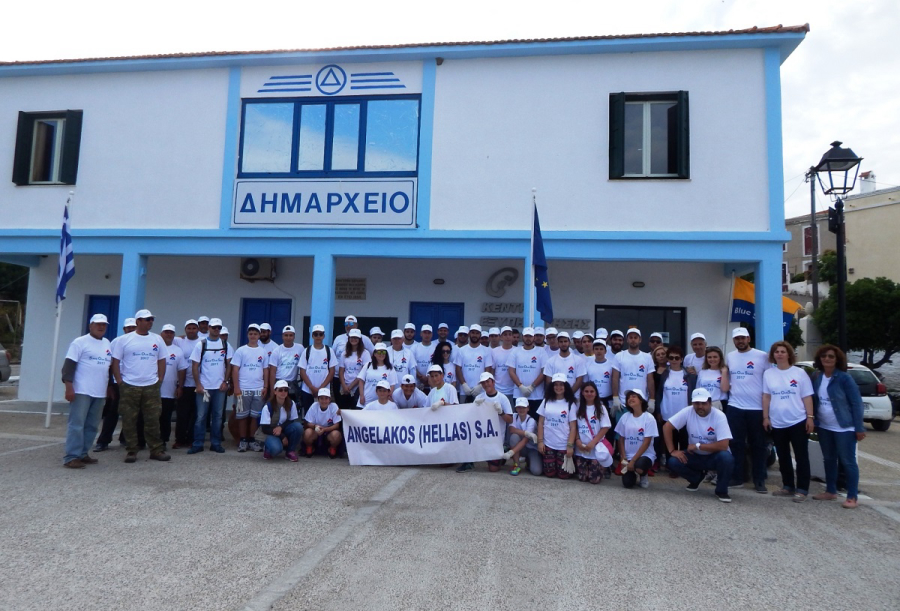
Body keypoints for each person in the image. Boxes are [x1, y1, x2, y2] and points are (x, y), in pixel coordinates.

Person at [810, 344, 866, 509]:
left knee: (848, 461)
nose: (827, 359)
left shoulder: (844, 378)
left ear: (837, 360)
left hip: (844, 427)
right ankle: (830, 491)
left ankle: (852, 496)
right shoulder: (817, 376)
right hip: (824, 426)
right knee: (828, 459)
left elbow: (856, 403)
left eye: (831, 356)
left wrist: (859, 427)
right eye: (824, 356)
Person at [111, 309, 169, 463]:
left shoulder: (157, 339)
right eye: (146, 319)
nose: (150, 322)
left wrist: (160, 379)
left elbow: (162, 360)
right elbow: (115, 362)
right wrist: (120, 381)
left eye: (151, 319)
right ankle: (131, 450)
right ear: (138, 322)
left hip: (151, 386)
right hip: (130, 386)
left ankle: (156, 450)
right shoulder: (124, 340)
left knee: (153, 419)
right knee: (129, 420)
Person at [763, 340, 814, 502]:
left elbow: (807, 396)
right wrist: (766, 417)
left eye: (783, 351)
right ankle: (787, 486)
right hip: (777, 422)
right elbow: (766, 396)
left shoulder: (799, 373)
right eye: (776, 352)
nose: (779, 354)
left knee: (801, 456)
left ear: (789, 354)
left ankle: (802, 489)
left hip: (797, 420)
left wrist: (810, 417)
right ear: (773, 355)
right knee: (783, 456)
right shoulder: (768, 374)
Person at [664, 388, 735, 503]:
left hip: (714, 456)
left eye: (703, 403)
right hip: (695, 456)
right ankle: (696, 478)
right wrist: (672, 450)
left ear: (710, 403)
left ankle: (721, 490)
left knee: (727, 458)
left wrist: (698, 446)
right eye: (697, 403)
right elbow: (667, 426)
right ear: (692, 403)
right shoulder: (688, 411)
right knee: (672, 461)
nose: (700, 406)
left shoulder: (719, 416)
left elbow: (723, 445)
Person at [61, 313, 112, 468]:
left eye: (104, 324)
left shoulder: (107, 343)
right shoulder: (80, 342)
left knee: (92, 425)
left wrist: (109, 387)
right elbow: (68, 366)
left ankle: (83, 453)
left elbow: (107, 368)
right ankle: (71, 456)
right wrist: (69, 387)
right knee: (77, 424)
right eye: (98, 324)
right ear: (91, 326)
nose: (101, 327)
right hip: (82, 390)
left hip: (99, 392)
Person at [725, 327, 771, 493]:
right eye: (737, 339)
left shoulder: (762, 356)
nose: (740, 341)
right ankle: (737, 477)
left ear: (749, 338)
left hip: (756, 408)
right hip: (735, 406)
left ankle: (759, 479)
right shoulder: (730, 356)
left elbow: (769, 379)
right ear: (733, 341)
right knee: (735, 444)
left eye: (743, 338)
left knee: (758, 445)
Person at [188, 318, 233, 455]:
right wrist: (198, 385)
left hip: (219, 388)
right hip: (204, 388)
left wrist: (226, 382)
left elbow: (229, 365)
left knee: (218, 416)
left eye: (219, 328)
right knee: (201, 416)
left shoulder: (225, 345)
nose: (216, 330)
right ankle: (198, 443)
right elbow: (195, 366)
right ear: (209, 328)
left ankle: (216, 443)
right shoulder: (201, 345)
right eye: (214, 327)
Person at [94, 318, 139, 452]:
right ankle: (103, 441)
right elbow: (109, 364)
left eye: (133, 327)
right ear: (124, 329)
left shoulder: (139, 342)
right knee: (112, 413)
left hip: (133, 383)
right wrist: (109, 385)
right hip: (117, 383)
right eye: (128, 328)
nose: (130, 330)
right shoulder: (116, 342)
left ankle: (124, 439)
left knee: (131, 413)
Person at [454, 372, 513, 474]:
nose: (486, 384)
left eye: (488, 381)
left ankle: (502, 453)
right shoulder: (479, 398)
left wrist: (501, 412)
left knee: (493, 469)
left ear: (493, 382)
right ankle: (468, 462)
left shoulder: (502, 398)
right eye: (483, 383)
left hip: (496, 439)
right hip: (482, 436)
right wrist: (476, 408)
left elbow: (510, 420)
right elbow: (471, 418)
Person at [231, 323, 270, 452]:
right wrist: (236, 387)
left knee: (254, 416)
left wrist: (265, 386)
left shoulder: (263, 351)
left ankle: (253, 440)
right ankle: (243, 440)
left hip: (258, 389)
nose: (253, 336)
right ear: (247, 335)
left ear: (259, 335)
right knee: (242, 416)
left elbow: (265, 370)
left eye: (255, 334)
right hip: (243, 388)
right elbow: (235, 370)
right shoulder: (241, 350)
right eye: (251, 333)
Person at [655, 345, 696, 466]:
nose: (674, 360)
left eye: (676, 358)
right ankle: (671, 465)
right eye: (671, 358)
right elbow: (659, 393)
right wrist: (658, 411)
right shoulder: (664, 374)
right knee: (669, 441)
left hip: (684, 414)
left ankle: (684, 465)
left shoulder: (689, 375)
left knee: (684, 441)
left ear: (681, 359)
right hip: (667, 413)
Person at [536, 373, 577, 479]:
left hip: (563, 444)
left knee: (563, 475)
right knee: (549, 474)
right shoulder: (546, 401)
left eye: (561, 385)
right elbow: (540, 423)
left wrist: (570, 446)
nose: (558, 387)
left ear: (565, 386)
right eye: (556, 385)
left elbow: (573, 427)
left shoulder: (570, 404)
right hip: (549, 443)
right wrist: (540, 442)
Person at [614, 389, 658, 489]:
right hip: (628, 456)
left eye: (634, 396)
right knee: (627, 484)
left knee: (640, 466)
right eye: (629, 397)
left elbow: (647, 442)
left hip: (645, 455)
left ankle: (643, 475)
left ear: (641, 400)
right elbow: (621, 439)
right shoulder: (625, 416)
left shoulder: (649, 418)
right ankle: (632, 473)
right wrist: (623, 458)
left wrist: (633, 461)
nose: (630, 399)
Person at [573, 381, 613, 484]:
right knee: (582, 478)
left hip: (595, 448)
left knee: (594, 480)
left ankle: (602, 468)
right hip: (581, 448)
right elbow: (575, 426)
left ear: (596, 393)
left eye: (592, 391)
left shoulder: (601, 407)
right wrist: (577, 440)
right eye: (586, 391)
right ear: (582, 393)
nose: (589, 394)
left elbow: (605, 427)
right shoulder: (577, 407)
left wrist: (592, 443)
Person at [611, 328, 656, 416]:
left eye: (635, 337)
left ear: (640, 340)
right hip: (623, 403)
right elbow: (615, 378)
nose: (633, 340)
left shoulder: (647, 357)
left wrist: (652, 399)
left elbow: (650, 380)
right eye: (631, 337)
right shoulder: (619, 356)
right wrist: (615, 398)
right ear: (627, 340)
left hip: (642, 402)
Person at [172, 319, 201, 449]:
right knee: (182, 413)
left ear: (198, 329)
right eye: (188, 328)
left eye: (194, 328)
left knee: (195, 415)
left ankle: (191, 439)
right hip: (184, 383)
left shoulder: (202, 342)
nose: (191, 330)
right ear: (185, 330)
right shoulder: (179, 341)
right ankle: (179, 439)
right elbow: (163, 337)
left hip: (199, 384)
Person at [297, 324, 338, 414]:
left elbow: (331, 371)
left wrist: (321, 388)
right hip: (308, 390)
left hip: (324, 391)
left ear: (324, 336)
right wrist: (312, 387)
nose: (318, 336)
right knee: (308, 415)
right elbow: (302, 371)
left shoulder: (329, 351)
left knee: (324, 414)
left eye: (320, 334)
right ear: (312, 336)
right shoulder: (307, 351)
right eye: (316, 334)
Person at [159, 324, 188, 449]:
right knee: (148, 417)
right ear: (161, 333)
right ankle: (143, 440)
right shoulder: (155, 347)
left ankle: (163, 441)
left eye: (171, 332)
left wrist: (180, 386)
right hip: (152, 391)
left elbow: (182, 370)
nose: (169, 334)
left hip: (169, 391)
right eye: (166, 332)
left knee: (165, 417)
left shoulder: (177, 350)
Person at [509, 327, 547, 421]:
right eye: (526, 336)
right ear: (522, 337)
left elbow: (544, 372)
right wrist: (520, 386)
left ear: (533, 337)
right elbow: (511, 371)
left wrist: (532, 387)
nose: (528, 338)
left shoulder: (541, 352)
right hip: (519, 394)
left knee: (536, 422)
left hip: (537, 395)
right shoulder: (515, 351)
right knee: (519, 422)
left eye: (530, 336)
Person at [259, 379, 302, 461]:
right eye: (280, 390)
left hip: (282, 429)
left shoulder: (291, 403)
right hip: (270, 432)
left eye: (286, 390)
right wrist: (282, 436)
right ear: (275, 392)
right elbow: (264, 428)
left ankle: (290, 451)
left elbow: (291, 420)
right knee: (276, 449)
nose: (283, 392)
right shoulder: (268, 406)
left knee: (298, 427)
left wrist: (281, 428)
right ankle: (267, 448)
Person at [454, 324, 494, 403]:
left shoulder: (486, 351)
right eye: (473, 333)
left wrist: (480, 385)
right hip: (464, 391)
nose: (474, 335)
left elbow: (488, 370)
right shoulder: (462, 350)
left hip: (481, 390)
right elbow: (458, 369)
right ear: (469, 334)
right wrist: (464, 385)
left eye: (477, 333)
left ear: (480, 335)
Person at [302, 387, 343, 457]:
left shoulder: (334, 406)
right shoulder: (314, 406)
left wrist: (325, 429)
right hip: (315, 430)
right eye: (321, 398)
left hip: (329, 431)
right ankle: (310, 447)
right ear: (318, 399)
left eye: (326, 398)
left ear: (330, 399)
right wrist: (315, 426)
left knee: (337, 435)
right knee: (307, 433)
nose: (324, 401)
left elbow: (337, 425)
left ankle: (332, 448)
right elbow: (307, 423)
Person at [543, 331, 586, 396]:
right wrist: (559, 395)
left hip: (574, 397)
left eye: (565, 341)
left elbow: (579, 381)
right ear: (558, 343)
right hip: (556, 398)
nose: (563, 344)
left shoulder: (578, 360)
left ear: (569, 342)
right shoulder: (550, 361)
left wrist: (569, 394)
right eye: (561, 342)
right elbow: (549, 381)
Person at [268, 325, 303, 402]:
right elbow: (272, 372)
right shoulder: (277, 351)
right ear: (282, 336)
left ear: (294, 336)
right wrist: (272, 390)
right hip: (279, 381)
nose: (288, 337)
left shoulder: (300, 348)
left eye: (291, 335)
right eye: (286, 335)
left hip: (293, 383)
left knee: (293, 406)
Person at [337, 328, 370, 410]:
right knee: (344, 411)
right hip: (344, 388)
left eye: (356, 338)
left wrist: (351, 386)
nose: (354, 339)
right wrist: (344, 385)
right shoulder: (344, 353)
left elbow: (364, 372)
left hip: (357, 388)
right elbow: (341, 371)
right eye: (352, 337)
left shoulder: (365, 353)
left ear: (359, 339)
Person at [357, 342, 397, 408]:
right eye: (379, 352)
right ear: (374, 354)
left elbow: (392, 385)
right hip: (366, 401)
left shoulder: (390, 368)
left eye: (383, 352)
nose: (381, 354)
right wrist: (361, 396)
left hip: (382, 404)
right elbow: (361, 381)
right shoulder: (368, 365)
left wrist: (388, 397)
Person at [508, 398, 541, 476]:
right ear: (516, 408)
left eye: (524, 407)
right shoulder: (514, 416)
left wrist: (511, 452)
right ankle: (516, 465)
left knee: (537, 471)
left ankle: (529, 462)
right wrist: (526, 433)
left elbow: (525, 440)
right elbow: (511, 429)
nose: (521, 409)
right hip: (521, 448)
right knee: (514, 437)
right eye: (519, 407)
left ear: (528, 408)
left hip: (532, 449)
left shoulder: (531, 421)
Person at [697, 346, 730, 411]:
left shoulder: (725, 371)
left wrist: (724, 372)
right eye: (709, 357)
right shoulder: (702, 372)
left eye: (715, 357)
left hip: (719, 404)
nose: (712, 359)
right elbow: (698, 390)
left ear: (720, 358)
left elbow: (725, 389)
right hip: (704, 403)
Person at [491, 326, 516, 403]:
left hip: (513, 391)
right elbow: (492, 371)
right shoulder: (494, 352)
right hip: (498, 390)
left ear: (512, 336)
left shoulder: (517, 351)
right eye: (505, 335)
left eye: (509, 334)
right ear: (501, 337)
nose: (507, 337)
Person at [412, 324, 437, 389]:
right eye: (425, 332)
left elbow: (437, 364)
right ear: (421, 334)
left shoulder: (436, 347)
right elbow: (412, 364)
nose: (427, 335)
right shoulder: (415, 347)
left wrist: (428, 377)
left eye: (429, 333)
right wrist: (420, 376)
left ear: (432, 334)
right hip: (417, 383)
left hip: (432, 383)